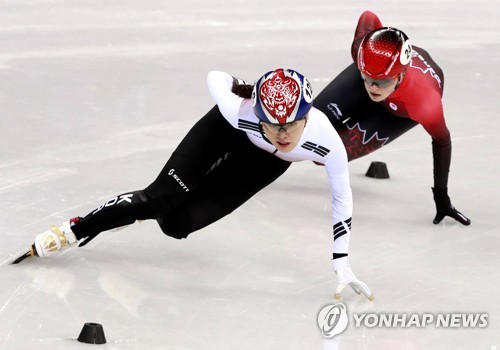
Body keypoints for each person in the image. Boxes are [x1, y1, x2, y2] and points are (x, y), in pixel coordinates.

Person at [15, 68, 373, 300]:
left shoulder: (326, 141)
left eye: (291, 125)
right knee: (160, 199)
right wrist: (240, 85)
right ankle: (76, 229)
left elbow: (342, 197)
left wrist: (341, 261)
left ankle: (143, 209)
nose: (281, 134)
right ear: (258, 114)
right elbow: (215, 77)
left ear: (307, 116)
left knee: (175, 224)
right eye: (272, 124)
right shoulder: (239, 111)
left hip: (261, 165)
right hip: (222, 132)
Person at [313, 10, 470, 226]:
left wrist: (441, 197)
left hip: (400, 111)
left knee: (322, 155)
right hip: (382, 74)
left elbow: (442, 140)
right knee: (310, 127)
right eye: (366, 78)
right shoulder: (362, 49)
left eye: (383, 82)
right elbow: (369, 16)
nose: (373, 87)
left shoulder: (424, 102)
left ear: (401, 74)